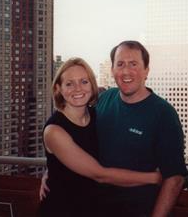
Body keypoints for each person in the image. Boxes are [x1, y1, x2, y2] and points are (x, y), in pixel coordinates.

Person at [38, 57, 161, 217]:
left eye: (84, 81)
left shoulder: (96, 114)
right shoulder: (55, 131)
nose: (78, 89)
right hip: (63, 209)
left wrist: (50, 170)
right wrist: (154, 178)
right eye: (69, 83)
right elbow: (100, 174)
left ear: (92, 85)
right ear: (58, 89)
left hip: (94, 207)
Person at [96, 40, 188, 217]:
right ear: (112, 70)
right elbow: (77, 135)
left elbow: (174, 178)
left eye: (134, 64)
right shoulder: (104, 99)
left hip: (138, 210)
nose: (126, 71)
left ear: (146, 71)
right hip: (94, 207)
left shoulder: (163, 114)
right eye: (120, 64)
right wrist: (53, 171)